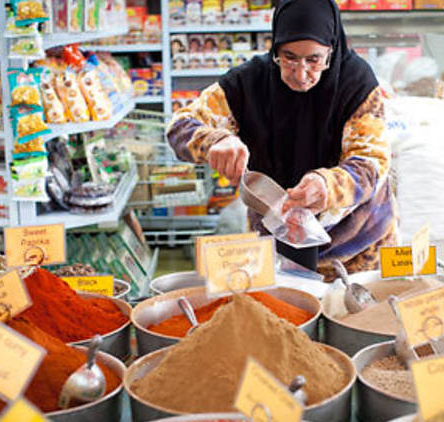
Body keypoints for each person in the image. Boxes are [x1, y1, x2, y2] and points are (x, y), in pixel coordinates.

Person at [167, 0, 398, 280]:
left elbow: (371, 162)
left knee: (356, 317)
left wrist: (328, 186)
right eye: (288, 57)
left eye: (314, 59)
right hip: (278, 241)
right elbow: (181, 125)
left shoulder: (358, 84)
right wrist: (213, 141)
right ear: (275, 47)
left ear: (331, 49)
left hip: (356, 246)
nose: (301, 74)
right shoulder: (247, 83)